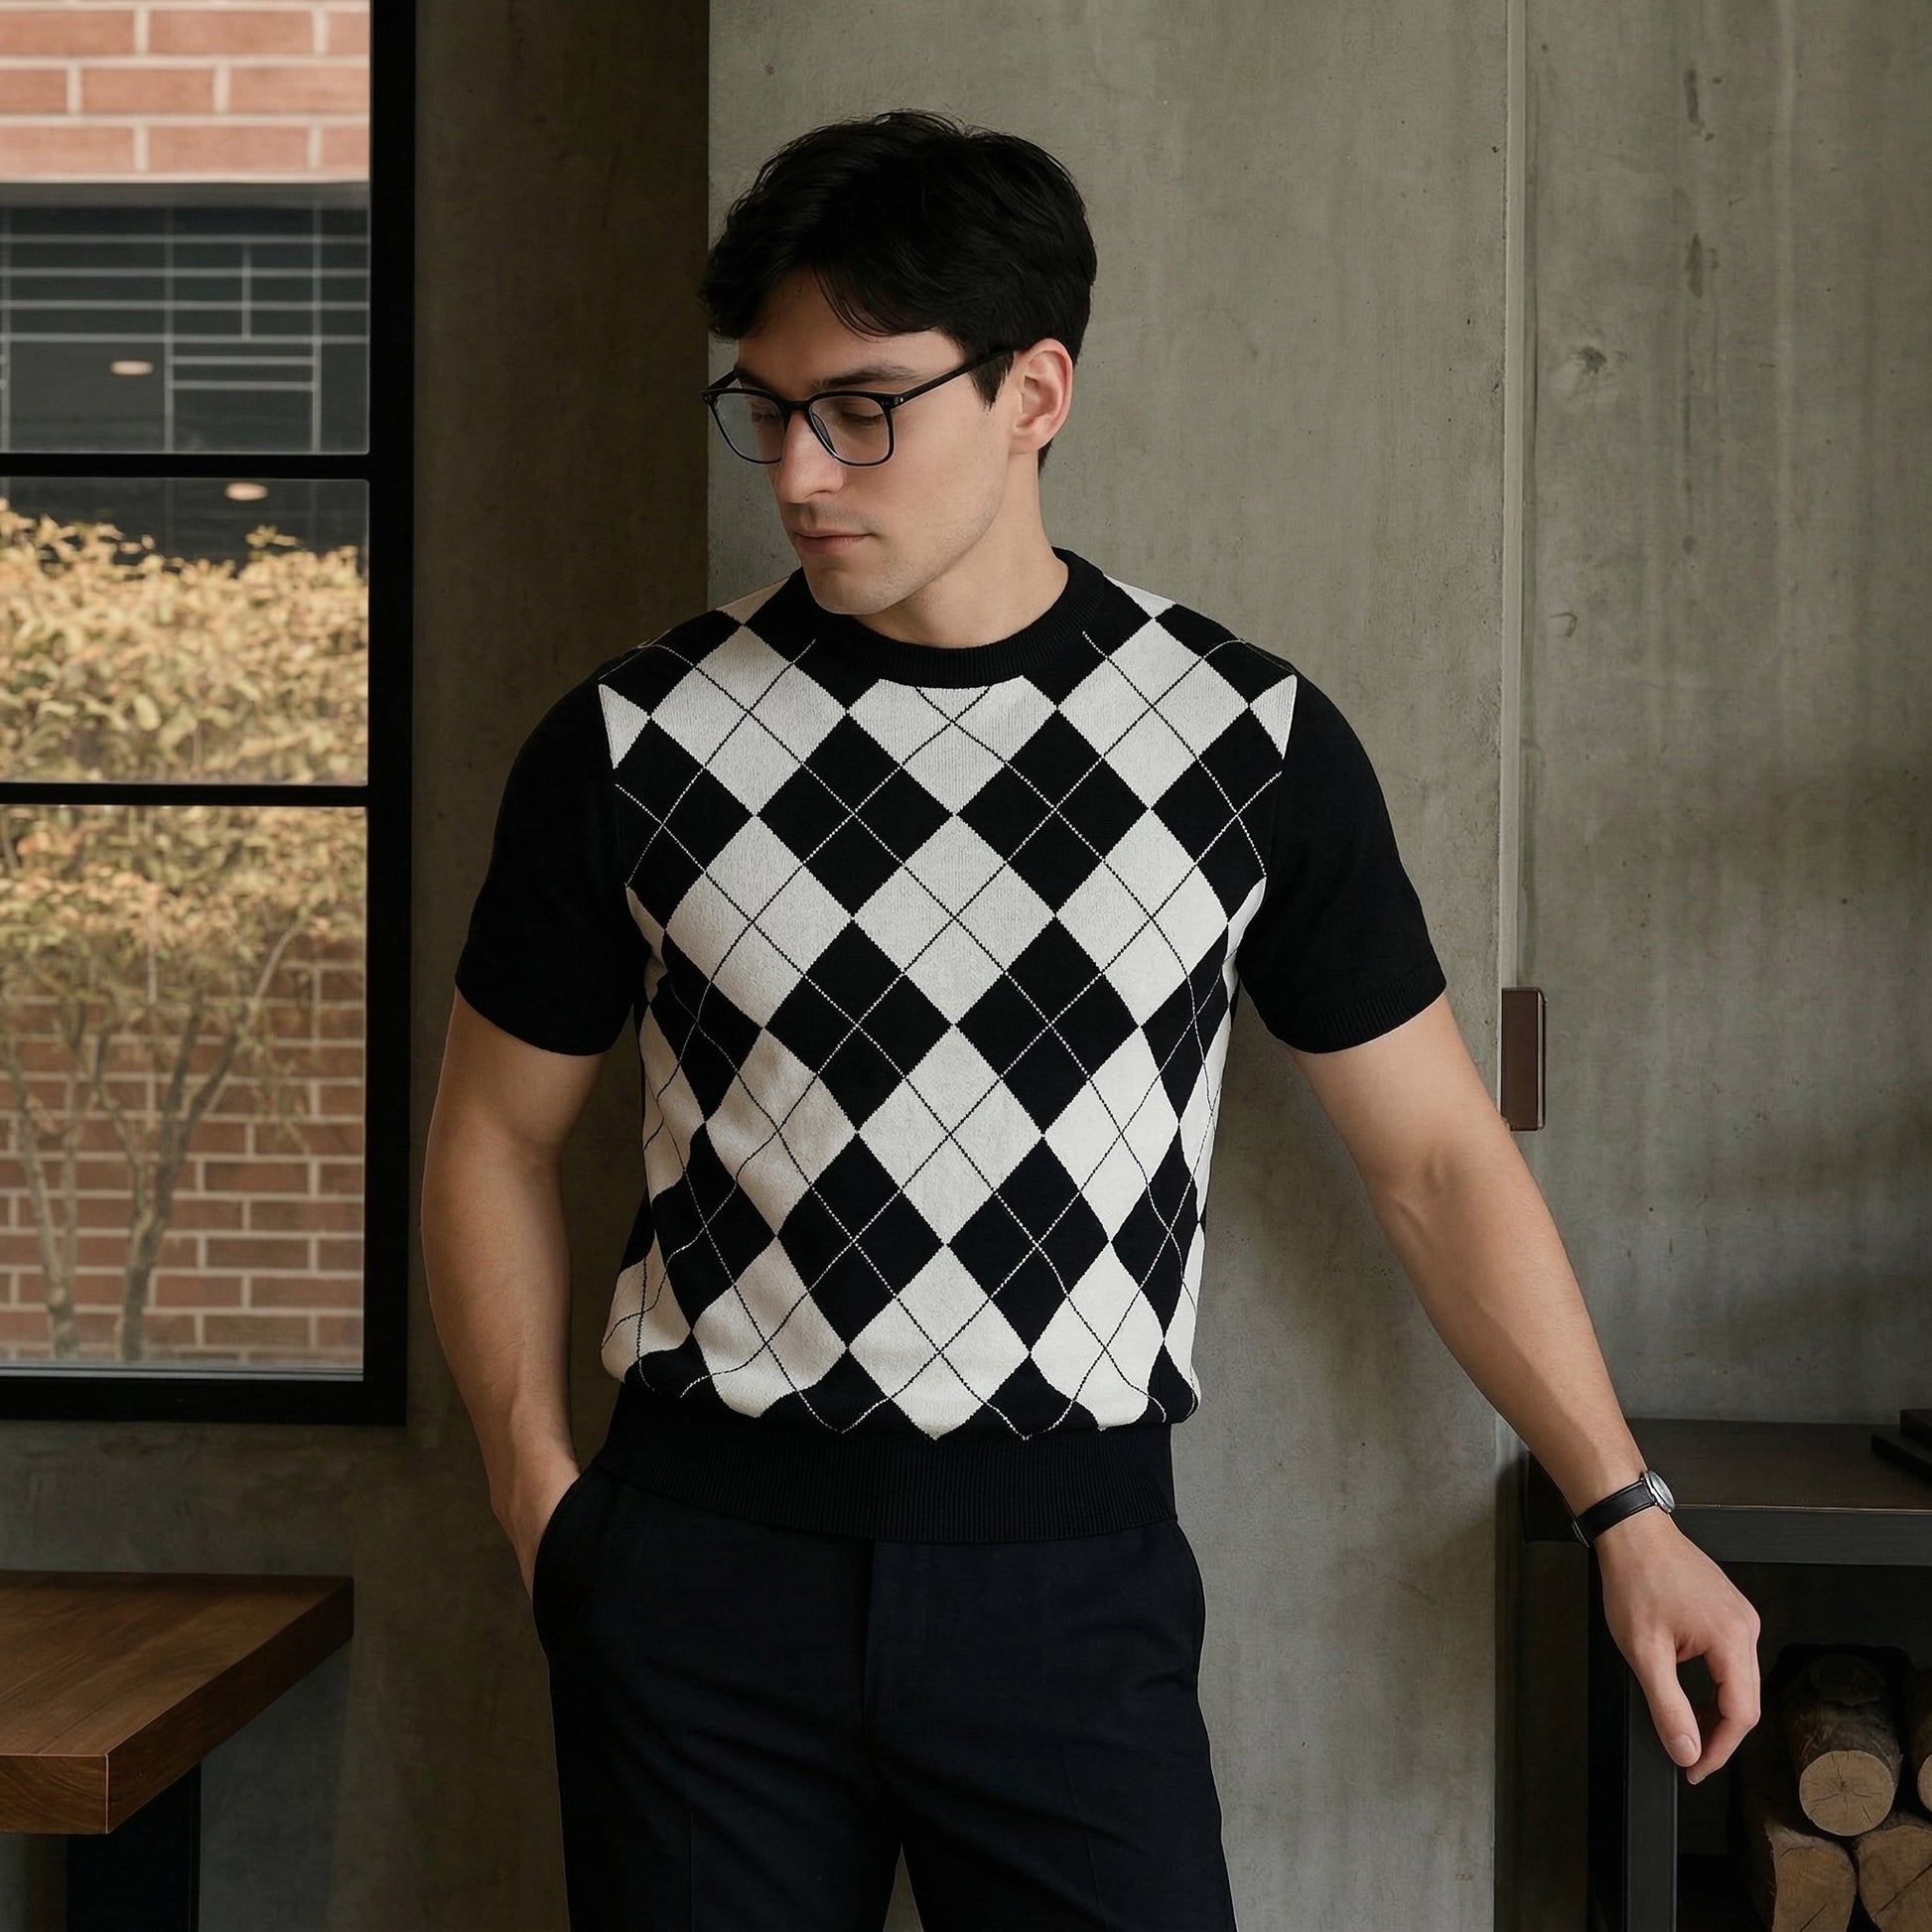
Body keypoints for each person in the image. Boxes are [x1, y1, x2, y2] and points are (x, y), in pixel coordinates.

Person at [421, 108, 1761, 1932]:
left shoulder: (1243, 744)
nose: (799, 469)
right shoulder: (631, 741)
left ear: (1033, 393)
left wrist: (1624, 1510)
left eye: (862, 409)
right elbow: (491, 1135)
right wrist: (542, 1507)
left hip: (1069, 1584)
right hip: (699, 1583)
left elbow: (1439, 1161)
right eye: (768, 407)